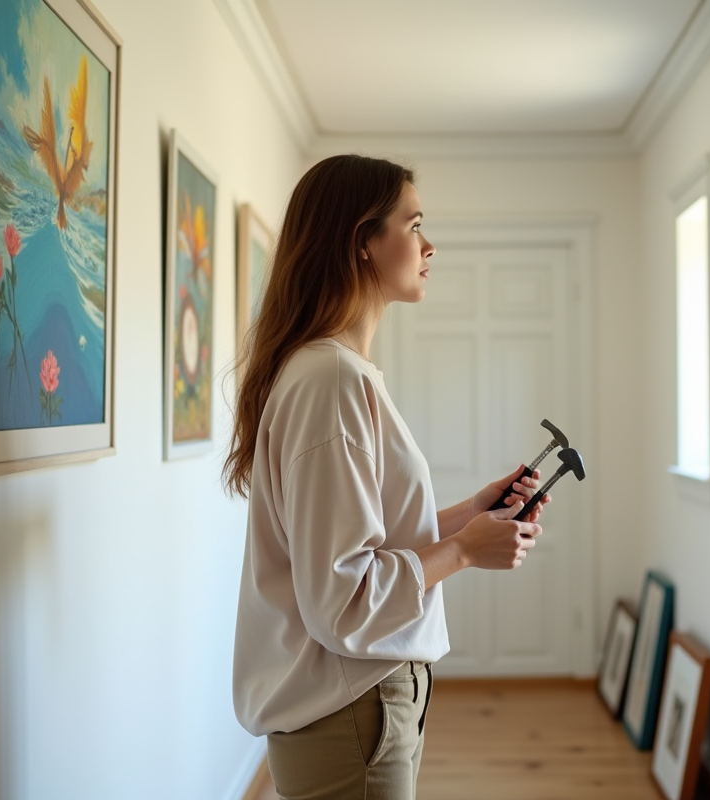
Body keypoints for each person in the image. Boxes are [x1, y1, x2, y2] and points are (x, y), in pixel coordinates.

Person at [224, 154, 551, 800]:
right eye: (414, 224)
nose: (430, 246)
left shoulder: (337, 372)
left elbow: (366, 541)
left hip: (355, 709)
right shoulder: (331, 380)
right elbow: (342, 598)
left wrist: (469, 512)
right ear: (364, 244)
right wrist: (462, 550)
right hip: (350, 714)